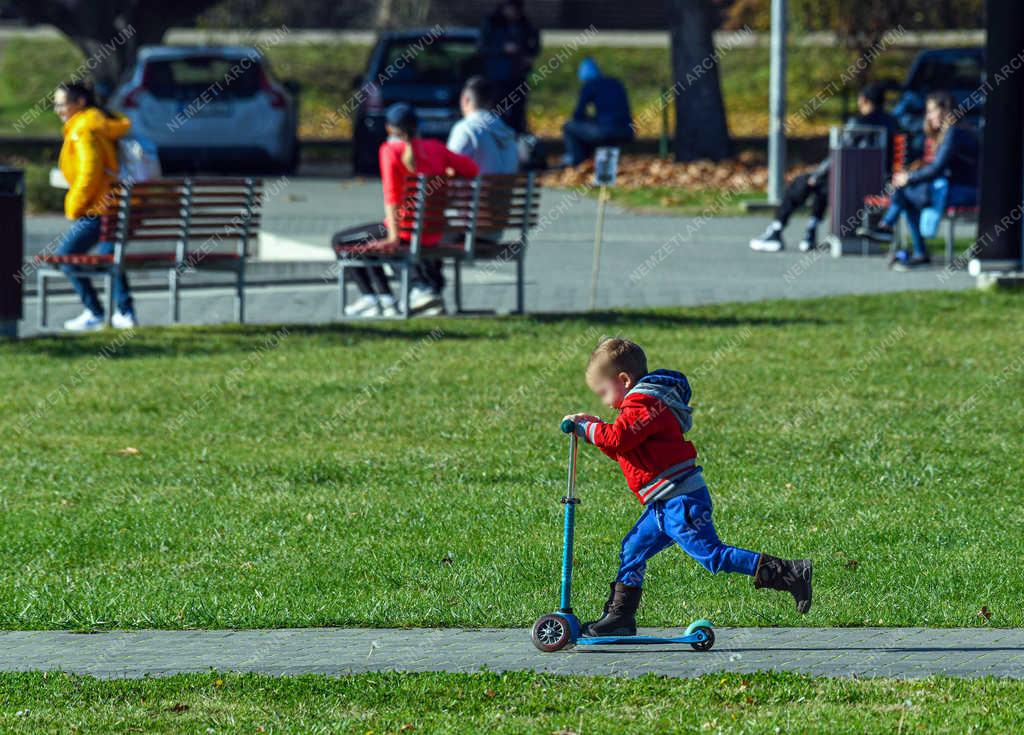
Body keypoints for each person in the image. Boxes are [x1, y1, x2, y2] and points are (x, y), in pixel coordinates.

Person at [562, 337, 812, 637]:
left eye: (603, 392)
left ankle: (790, 573)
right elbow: (622, 448)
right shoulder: (639, 405)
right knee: (633, 549)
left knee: (712, 556)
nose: (605, 401)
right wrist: (593, 428)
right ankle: (620, 616)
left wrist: (589, 428)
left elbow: (620, 438)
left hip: (681, 500)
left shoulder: (646, 404)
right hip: (662, 505)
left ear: (624, 380)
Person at [332, 103, 478, 317]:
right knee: (368, 238)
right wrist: (446, 177)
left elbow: (391, 197)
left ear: (390, 129)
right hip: (432, 232)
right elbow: (471, 169)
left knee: (341, 240)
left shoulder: (390, 150)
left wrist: (393, 236)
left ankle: (378, 298)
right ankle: (387, 298)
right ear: (418, 126)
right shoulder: (436, 148)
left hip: (405, 232)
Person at [750, 82, 898, 253]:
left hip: (852, 184)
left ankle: (778, 229)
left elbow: (840, 155)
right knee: (825, 184)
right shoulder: (894, 123)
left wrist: (818, 174)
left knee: (805, 182)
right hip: (881, 182)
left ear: (863, 100)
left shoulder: (858, 124)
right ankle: (809, 232)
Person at [858, 91, 979, 270]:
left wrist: (908, 178)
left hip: (966, 191)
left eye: (932, 111)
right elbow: (935, 167)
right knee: (905, 194)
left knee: (904, 192)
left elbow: (937, 168)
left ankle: (892, 231)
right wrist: (909, 176)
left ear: (946, 110)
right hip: (950, 188)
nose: (928, 116)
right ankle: (893, 232)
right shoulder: (950, 132)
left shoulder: (955, 132)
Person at [53, 81, 136, 331]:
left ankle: (96, 312)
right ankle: (125, 314)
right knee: (111, 258)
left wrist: (74, 205)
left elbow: (90, 172)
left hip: (99, 209)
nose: (58, 109)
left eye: (61, 104)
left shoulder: (84, 128)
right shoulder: (102, 123)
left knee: (66, 255)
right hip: (121, 205)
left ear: (79, 102)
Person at [479, 0, 539, 133]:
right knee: (498, 111)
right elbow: (482, 47)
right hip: (498, 77)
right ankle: (497, 136)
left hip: (518, 75)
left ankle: (517, 139)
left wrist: (529, 56)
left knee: (518, 113)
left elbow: (534, 43)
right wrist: (502, 49)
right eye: (511, 9)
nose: (514, 13)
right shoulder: (492, 24)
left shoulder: (525, 24)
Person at [561, 57, 634, 167]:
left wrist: (589, 119)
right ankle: (597, 165)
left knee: (569, 127)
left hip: (606, 131)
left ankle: (576, 161)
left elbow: (577, 114)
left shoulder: (589, 85)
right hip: (627, 130)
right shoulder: (615, 82)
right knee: (597, 129)